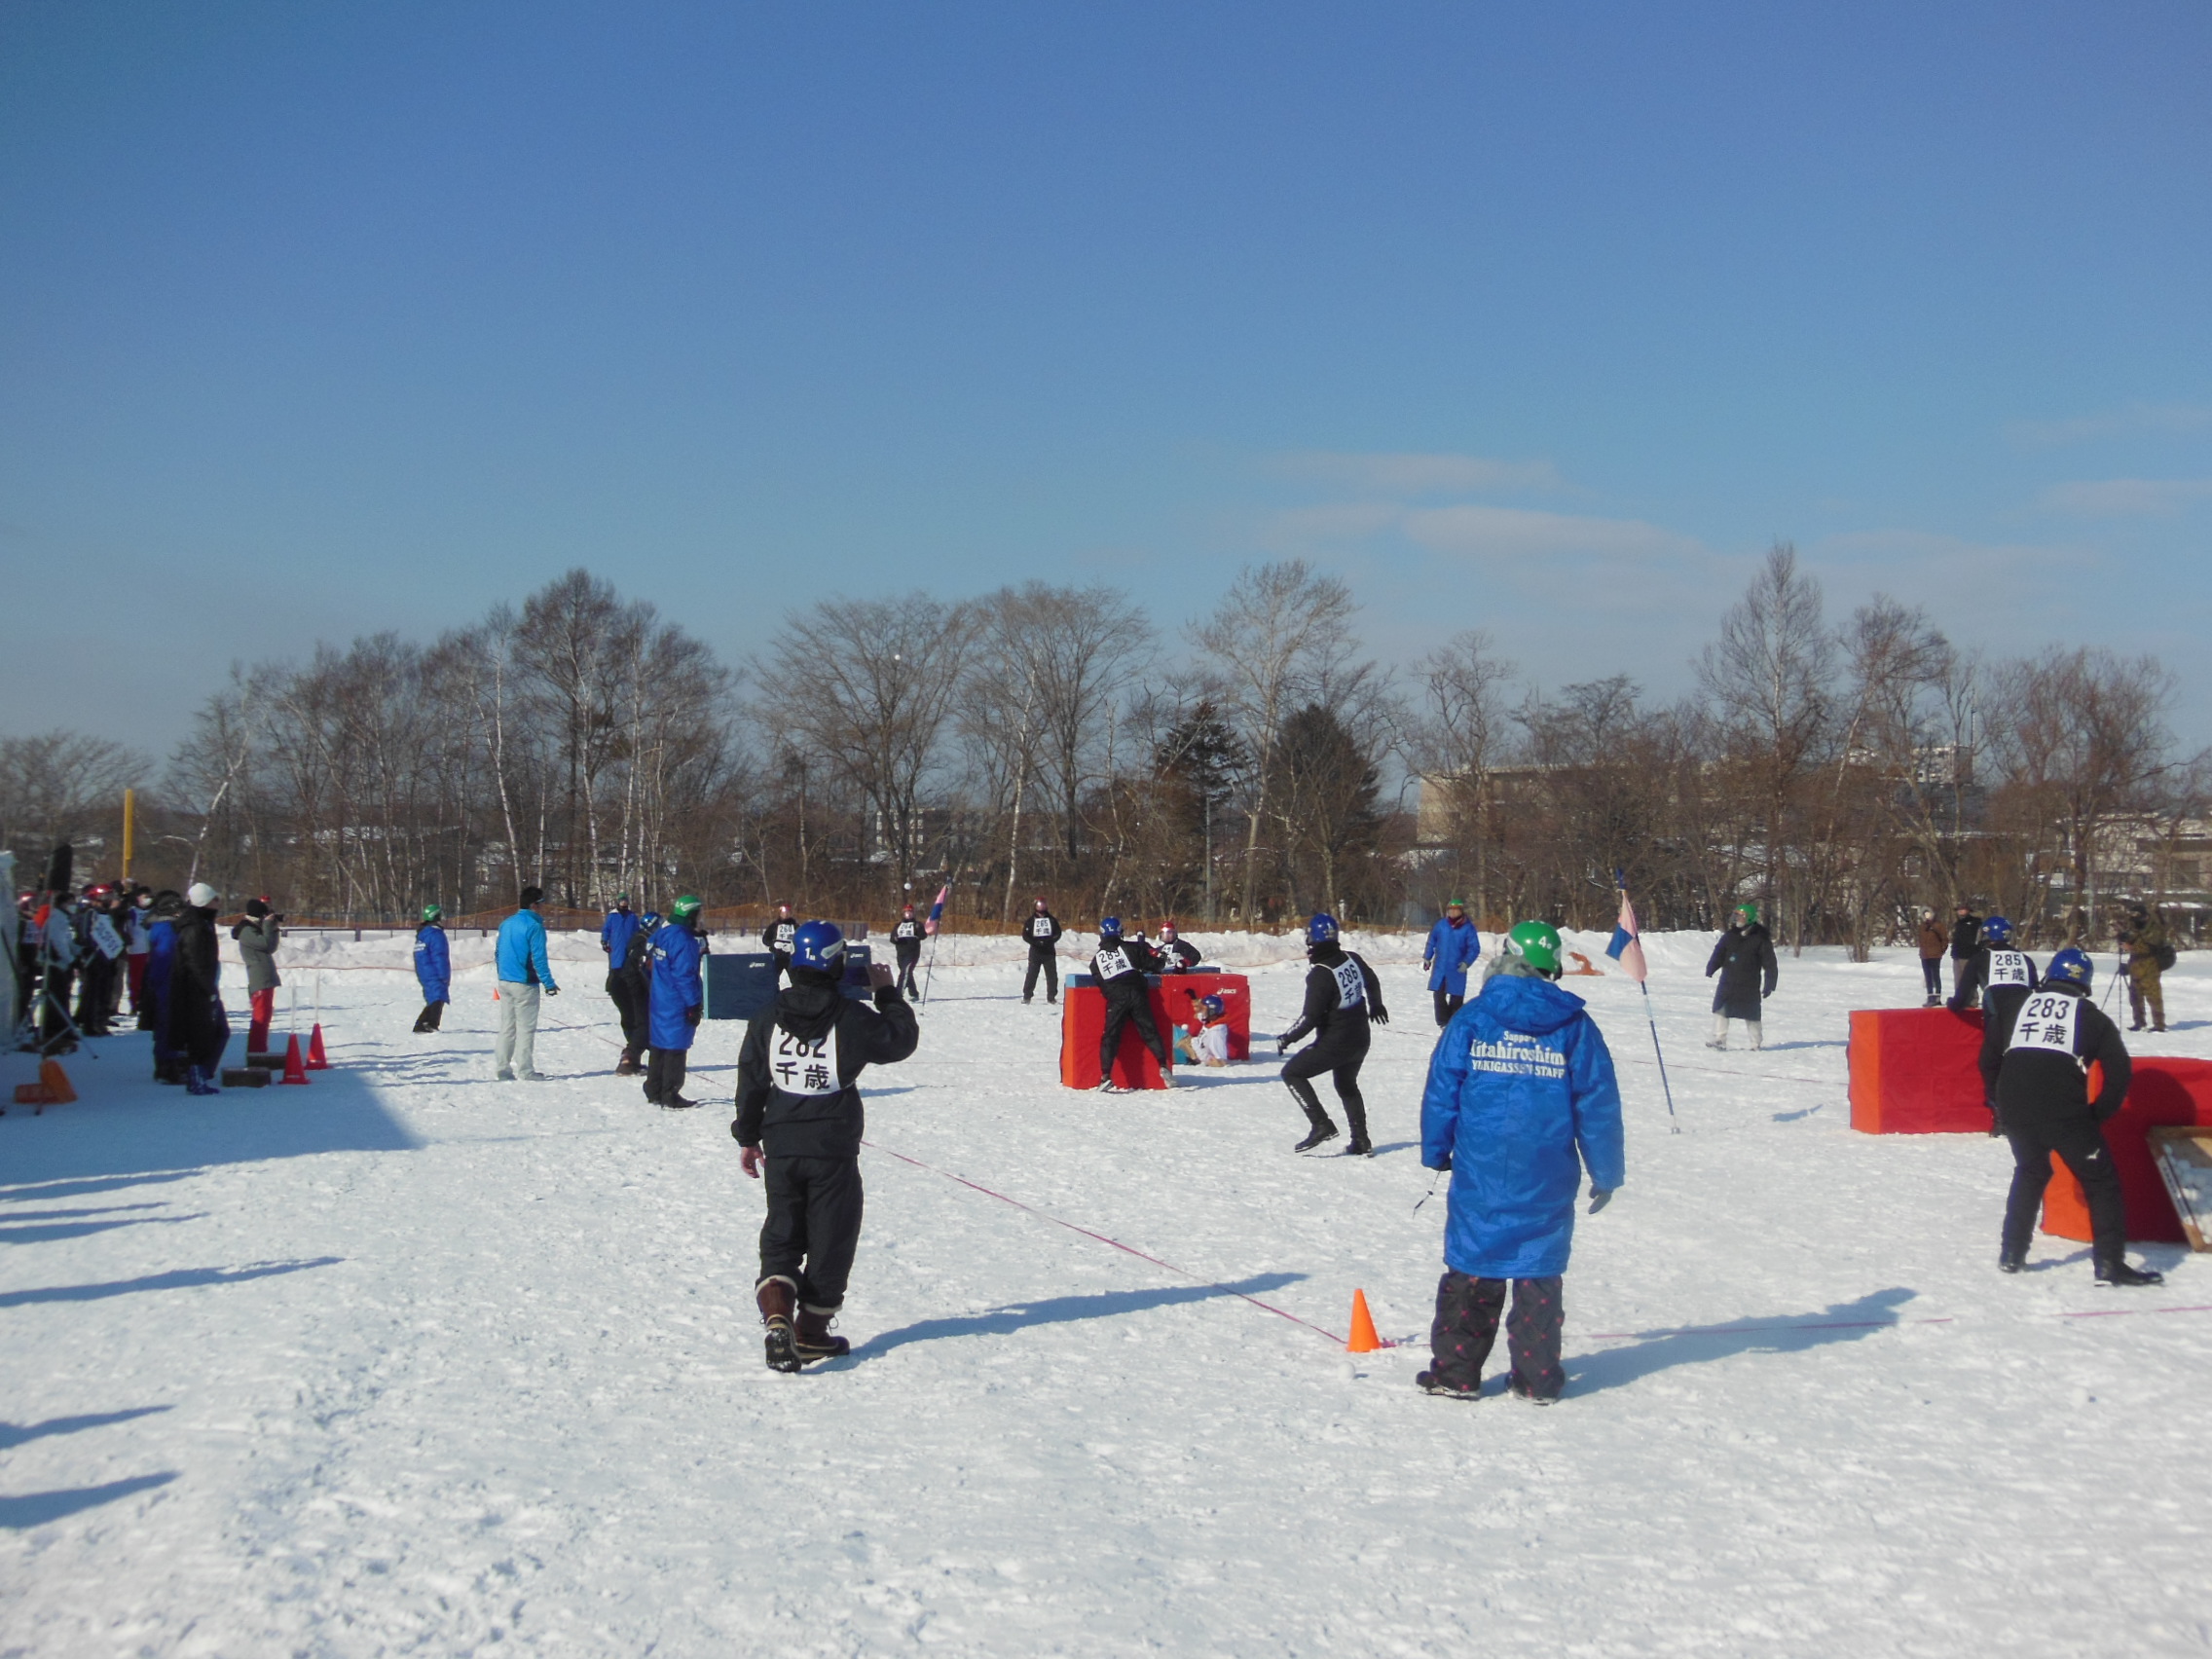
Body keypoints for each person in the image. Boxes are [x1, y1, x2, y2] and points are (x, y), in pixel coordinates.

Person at [1417, 919, 1625, 1403]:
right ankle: (1536, 1378)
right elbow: (1597, 1103)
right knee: (1537, 1270)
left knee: (1473, 1263)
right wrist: (1606, 1171)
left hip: (1481, 1167)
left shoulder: (1471, 1019)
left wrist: (1436, 1149)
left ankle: (1456, 1372)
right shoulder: (1575, 1026)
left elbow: (1443, 1090)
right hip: (1546, 1172)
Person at [733, 919, 919, 1371]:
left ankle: (777, 1314)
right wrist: (887, 994)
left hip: (781, 1142)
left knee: (782, 1232)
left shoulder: (767, 1016)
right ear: (838, 963)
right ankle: (811, 1334)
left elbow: (752, 1077)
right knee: (832, 1237)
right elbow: (899, 1041)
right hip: (832, 1147)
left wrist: (747, 1136)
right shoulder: (850, 1017)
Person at [1988, 947, 2161, 1286]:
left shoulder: (2015, 1007)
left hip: (2016, 1108)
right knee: (2100, 1182)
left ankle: (2012, 1254)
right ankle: (2110, 1263)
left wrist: (1998, 1102)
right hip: (2065, 1112)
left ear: (2050, 975)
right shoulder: (2093, 1018)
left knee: (2030, 1171)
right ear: (2085, 984)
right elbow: (2120, 1073)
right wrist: (2097, 1115)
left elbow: (1988, 1059)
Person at [1275, 912, 1387, 1155]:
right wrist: (1376, 1004)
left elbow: (1309, 1018)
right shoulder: (1352, 958)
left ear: (1311, 939)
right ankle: (1361, 1140)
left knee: (1292, 1072)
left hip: (1336, 1042)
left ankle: (1321, 1124)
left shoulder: (1320, 974)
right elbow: (1372, 980)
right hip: (1360, 1039)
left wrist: (1287, 1037)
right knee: (1347, 1085)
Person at [1090, 915, 1173, 1091]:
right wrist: (1162, 958)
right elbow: (1154, 965)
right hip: (1137, 994)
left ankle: (1105, 1075)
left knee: (1110, 1037)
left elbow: (1102, 985)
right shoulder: (1131, 948)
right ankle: (1163, 1065)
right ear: (1120, 932)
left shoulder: (1095, 961)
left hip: (1116, 1000)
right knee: (1149, 1031)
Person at [641, 895, 707, 1108]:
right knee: (676, 1047)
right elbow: (685, 975)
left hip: (660, 997)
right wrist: (693, 1004)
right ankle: (670, 1092)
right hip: (677, 1000)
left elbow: (648, 959)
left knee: (659, 1045)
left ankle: (653, 1088)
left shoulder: (664, 933)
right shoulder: (684, 941)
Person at [167, 882, 229, 1094]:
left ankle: (200, 1074)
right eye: (214, 899)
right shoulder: (195, 928)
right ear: (204, 902)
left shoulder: (202, 924)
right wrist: (208, 990)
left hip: (201, 988)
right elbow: (194, 963)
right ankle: (197, 1075)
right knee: (207, 1034)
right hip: (195, 991)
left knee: (215, 1033)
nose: (218, 903)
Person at [493, 885, 559, 1082]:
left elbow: (497, 952)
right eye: (541, 904)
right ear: (533, 905)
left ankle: (502, 1068)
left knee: (507, 1026)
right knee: (525, 1028)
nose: (543, 908)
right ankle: (525, 1070)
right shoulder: (534, 926)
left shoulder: (506, 923)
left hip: (505, 981)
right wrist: (548, 983)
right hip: (525, 983)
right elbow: (539, 959)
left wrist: (502, 974)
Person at [1704, 901, 1778, 1051]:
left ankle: (1755, 1043)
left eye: (1741, 916)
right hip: (1728, 981)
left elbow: (1770, 963)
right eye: (1736, 916)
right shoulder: (1729, 936)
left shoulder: (1760, 939)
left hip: (1748, 984)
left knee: (1752, 1014)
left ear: (1749, 918)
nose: (1737, 919)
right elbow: (1719, 952)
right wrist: (1711, 967)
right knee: (1721, 1009)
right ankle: (1719, 1039)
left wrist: (1770, 983)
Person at [1422, 899, 1484, 1027]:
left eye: (1455, 910)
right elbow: (1432, 941)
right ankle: (1442, 1022)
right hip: (1441, 967)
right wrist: (1427, 958)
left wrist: (1466, 962)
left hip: (1457, 967)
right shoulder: (1441, 925)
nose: (1453, 912)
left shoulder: (1468, 927)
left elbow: (1474, 948)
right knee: (1438, 995)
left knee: (1456, 996)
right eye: (1450, 910)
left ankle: (1454, 1022)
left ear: (1461, 911)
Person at [232, 898, 281, 1053]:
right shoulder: (247, 931)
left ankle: (260, 1052)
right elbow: (266, 944)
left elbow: (271, 947)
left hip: (264, 979)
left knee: (264, 1017)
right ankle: (256, 1053)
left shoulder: (252, 929)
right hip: (259, 979)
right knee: (260, 1018)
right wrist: (268, 925)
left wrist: (273, 926)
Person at [144, 890, 184, 1083]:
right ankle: (166, 1065)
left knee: (165, 1023)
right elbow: (163, 960)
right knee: (167, 1024)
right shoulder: (167, 930)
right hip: (167, 982)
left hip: (164, 981)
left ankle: (166, 1063)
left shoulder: (161, 928)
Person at [614, 908, 660, 1075]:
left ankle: (636, 1057)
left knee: (639, 1023)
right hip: (631, 986)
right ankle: (628, 1059)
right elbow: (640, 970)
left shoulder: (639, 939)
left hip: (626, 985)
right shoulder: (643, 943)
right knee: (644, 1024)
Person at [602, 893, 645, 1059]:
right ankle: (613, 986)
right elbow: (606, 930)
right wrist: (605, 940)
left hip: (629, 952)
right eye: (621, 901)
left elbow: (637, 931)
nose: (624, 904)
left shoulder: (632, 917)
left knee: (628, 970)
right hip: (616, 952)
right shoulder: (612, 917)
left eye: (626, 901)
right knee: (615, 970)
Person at [2120, 902, 2170, 1034]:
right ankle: (2139, 1022)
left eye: (2137, 917)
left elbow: (2152, 946)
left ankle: (2159, 1025)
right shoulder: (2135, 927)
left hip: (2150, 966)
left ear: (2144, 916)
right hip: (2135, 966)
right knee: (2135, 996)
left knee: (2153, 997)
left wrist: (2131, 947)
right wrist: (2123, 939)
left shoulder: (2155, 928)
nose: (2134, 920)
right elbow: (2131, 939)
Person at [412, 904, 451, 1033]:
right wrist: (444, 976)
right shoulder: (436, 934)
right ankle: (427, 1024)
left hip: (424, 971)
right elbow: (439, 956)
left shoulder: (423, 933)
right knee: (437, 996)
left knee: (433, 996)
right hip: (434, 971)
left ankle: (426, 1023)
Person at [1021, 899, 1064, 1005]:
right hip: (1035, 952)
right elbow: (1025, 935)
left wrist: (1050, 941)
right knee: (1032, 975)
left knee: (1052, 976)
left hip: (1049, 952)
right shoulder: (1031, 921)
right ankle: (1027, 996)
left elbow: (1058, 933)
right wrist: (1035, 943)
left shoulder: (1052, 920)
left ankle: (1051, 997)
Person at [1174, 991, 1232, 1067]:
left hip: (1193, 1055)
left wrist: (1208, 1061)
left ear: (1211, 1011)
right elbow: (1198, 1014)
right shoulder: (1211, 1020)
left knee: (1167, 1044)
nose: (1201, 1011)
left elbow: (1221, 1061)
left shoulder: (1216, 1033)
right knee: (1170, 1028)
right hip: (1190, 1045)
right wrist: (1194, 999)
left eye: (1204, 1008)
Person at [126, 886, 155, 1023]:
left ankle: (146, 1003)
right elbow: (126, 928)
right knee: (135, 979)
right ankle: (134, 1003)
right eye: (145, 897)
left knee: (149, 979)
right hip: (136, 950)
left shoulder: (153, 912)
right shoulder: (132, 912)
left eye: (149, 897)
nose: (147, 900)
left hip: (151, 950)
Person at [1949, 902, 1984, 1007]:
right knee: (1958, 979)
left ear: (1968, 910)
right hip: (1957, 954)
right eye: (1959, 909)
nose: (1960, 911)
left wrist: (1976, 949)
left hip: (1969, 955)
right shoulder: (1958, 923)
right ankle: (1960, 999)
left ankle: (1973, 1000)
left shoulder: (1975, 923)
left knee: (1969, 979)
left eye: (1963, 909)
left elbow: (1979, 939)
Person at [891, 902, 925, 996]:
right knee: (906, 973)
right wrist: (895, 939)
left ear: (913, 913)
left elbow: (923, 936)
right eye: (906, 911)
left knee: (904, 973)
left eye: (910, 911)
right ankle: (914, 993)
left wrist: (919, 930)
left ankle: (898, 994)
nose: (908, 913)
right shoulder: (898, 925)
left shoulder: (917, 924)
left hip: (912, 952)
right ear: (903, 913)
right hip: (901, 952)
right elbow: (892, 938)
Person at [760, 902, 798, 988]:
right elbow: (765, 940)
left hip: (791, 957)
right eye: (783, 911)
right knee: (773, 980)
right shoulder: (774, 926)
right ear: (780, 912)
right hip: (777, 957)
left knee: (795, 980)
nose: (785, 914)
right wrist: (774, 944)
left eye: (788, 911)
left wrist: (793, 947)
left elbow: (801, 941)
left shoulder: (796, 926)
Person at [1915, 909, 1948, 1008]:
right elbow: (1920, 939)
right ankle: (1930, 996)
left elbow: (1945, 939)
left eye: (1929, 914)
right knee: (1927, 976)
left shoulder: (1938, 925)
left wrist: (1941, 950)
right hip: (1925, 955)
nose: (1927, 916)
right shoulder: (1922, 926)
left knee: (1935, 975)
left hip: (1935, 954)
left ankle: (1937, 996)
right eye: (1925, 914)